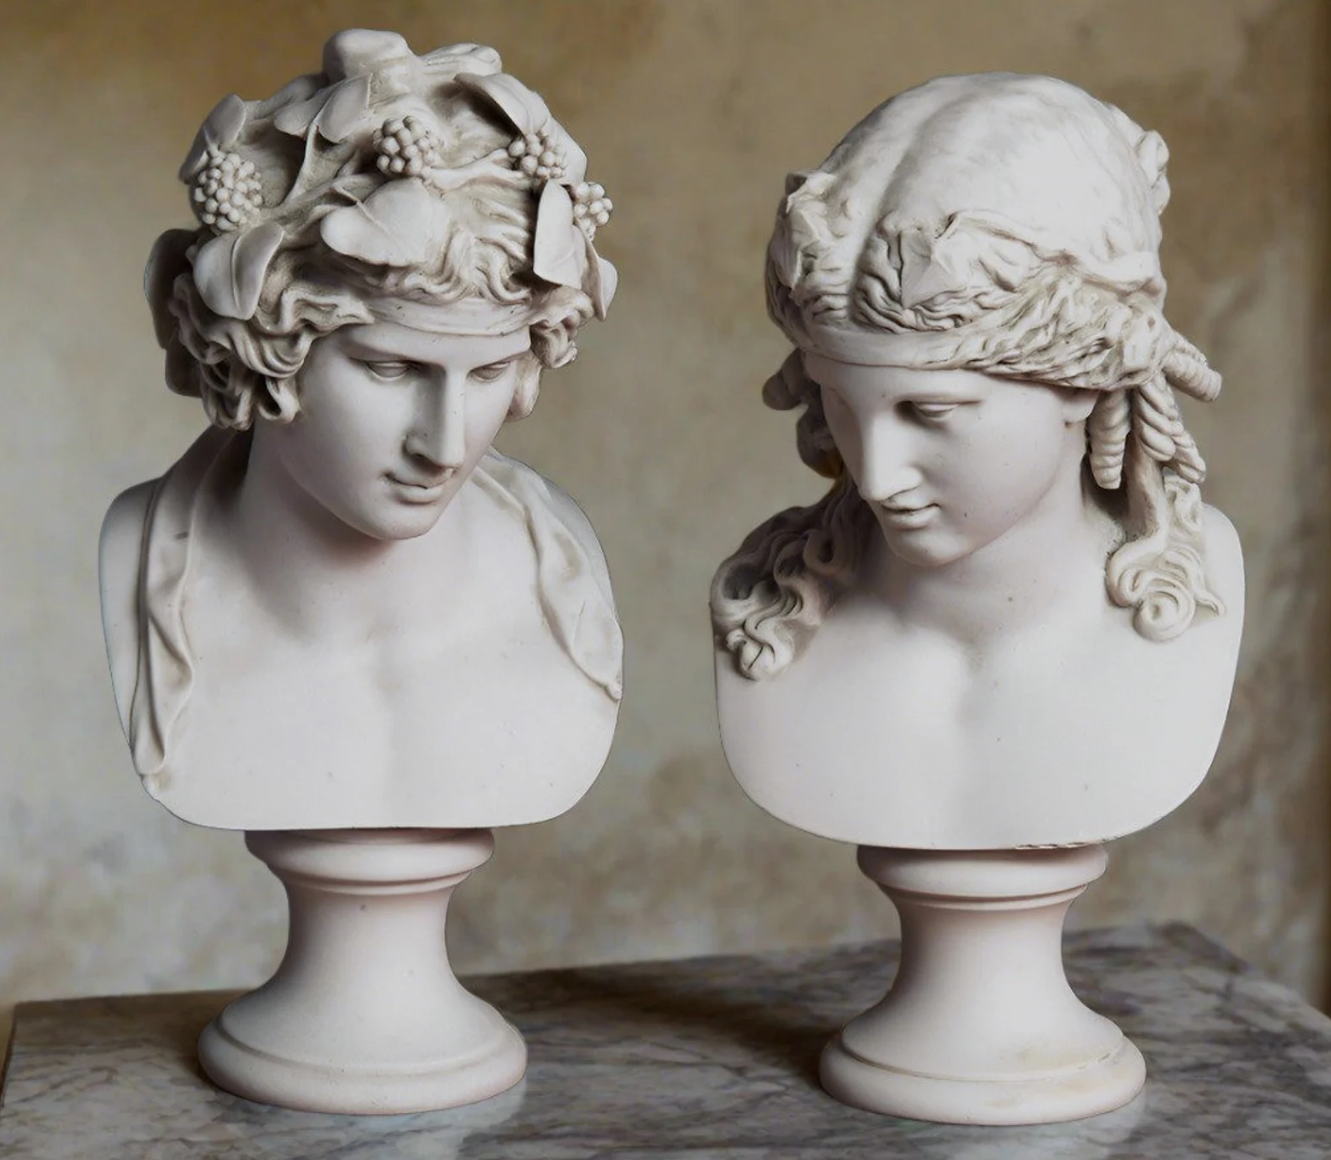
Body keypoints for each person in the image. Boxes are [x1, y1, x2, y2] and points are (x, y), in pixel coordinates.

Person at [99, 30, 622, 829]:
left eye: (485, 374)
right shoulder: (142, 554)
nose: (444, 446)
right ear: (266, 348)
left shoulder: (556, 576)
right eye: (390, 370)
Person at [711, 73, 1243, 848]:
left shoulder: (1202, 600)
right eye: (839, 401)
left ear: (1085, 377)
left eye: (930, 413)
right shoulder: (765, 604)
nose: (877, 475)